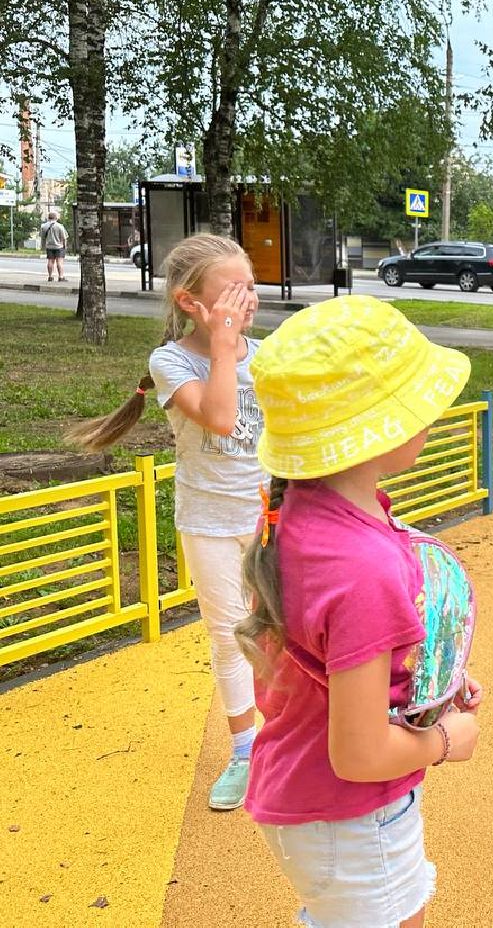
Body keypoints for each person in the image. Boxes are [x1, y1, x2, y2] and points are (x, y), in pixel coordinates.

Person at [236, 295, 481, 928]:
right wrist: (445, 739)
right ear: (379, 428)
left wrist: (426, 683)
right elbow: (362, 754)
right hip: (351, 813)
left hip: (316, 799)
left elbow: (333, 649)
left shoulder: (310, 512)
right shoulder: (361, 566)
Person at [68, 234, 264, 810]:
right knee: (231, 636)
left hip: (267, 513)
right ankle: (245, 751)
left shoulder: (268, 354)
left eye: (249, 287)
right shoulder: (170, 361)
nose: (247, 300)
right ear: (189, 302)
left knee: (283, 629)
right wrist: (226, 347)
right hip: (208, 520)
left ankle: (289, 738)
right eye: (232, 291)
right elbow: (223, 420)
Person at [40, 210, 68, 281]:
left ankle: (50, 276)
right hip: (59, 246)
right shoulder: (60, 226)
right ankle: (61, 277)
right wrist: (65, 246)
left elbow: (42, 237)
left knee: (50, 261)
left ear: (48, 217)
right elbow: (64, 238)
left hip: (49, 246)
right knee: (59, 261)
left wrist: (43, 246)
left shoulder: (44, 226)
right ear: (56, 218)